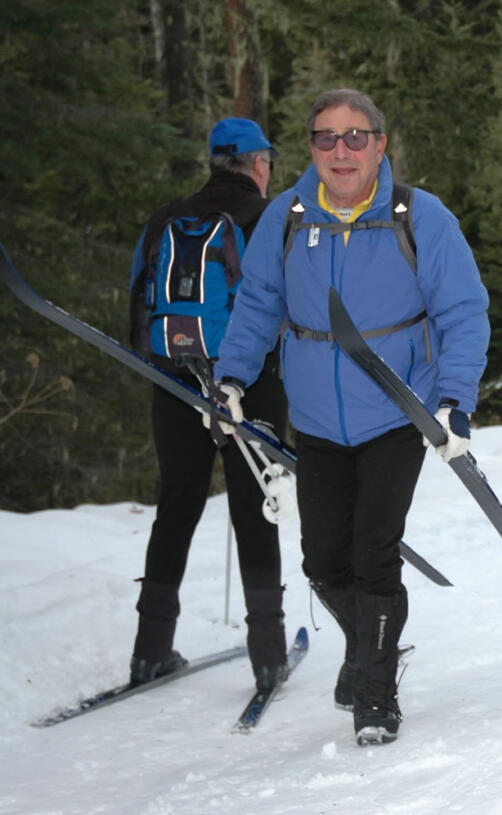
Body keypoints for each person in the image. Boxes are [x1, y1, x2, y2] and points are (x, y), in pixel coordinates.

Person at [213, 89, 491, 746]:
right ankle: (368, 644)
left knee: (373, 553)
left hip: (398, 410)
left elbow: (463, 312)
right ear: (309, 147)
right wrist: (231, 377)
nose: (342, 151)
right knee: (322, 559)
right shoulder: (285, 218)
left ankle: (376, 690)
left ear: (380, 144)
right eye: (326, 137)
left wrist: (455, 401)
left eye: (356, 136)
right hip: (314, 418)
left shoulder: (421, 218)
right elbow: (256, 306)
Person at [125, 117, 289, 693]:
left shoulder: (165, 217)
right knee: (254, 508)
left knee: (177, 504)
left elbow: (136, 299)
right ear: (259, 165)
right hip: (251, 382)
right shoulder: (269, 218)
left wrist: (161, 371)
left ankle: (149, 650)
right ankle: (268, 655)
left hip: (173, 376)